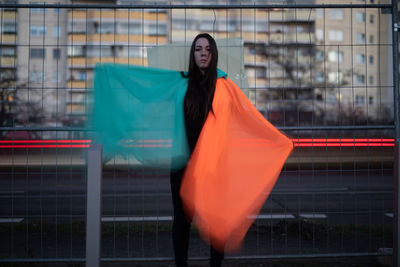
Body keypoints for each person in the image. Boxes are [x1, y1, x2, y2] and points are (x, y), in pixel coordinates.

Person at [170, 33, 224, 267]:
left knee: (217, 220)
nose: (203, 53)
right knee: (182, 220)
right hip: (183, 163)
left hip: (214, 164)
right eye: (198, 49)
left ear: (214, 54)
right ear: (192, 54)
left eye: (208, 49)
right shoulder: (181, 85)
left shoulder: (223, 86)